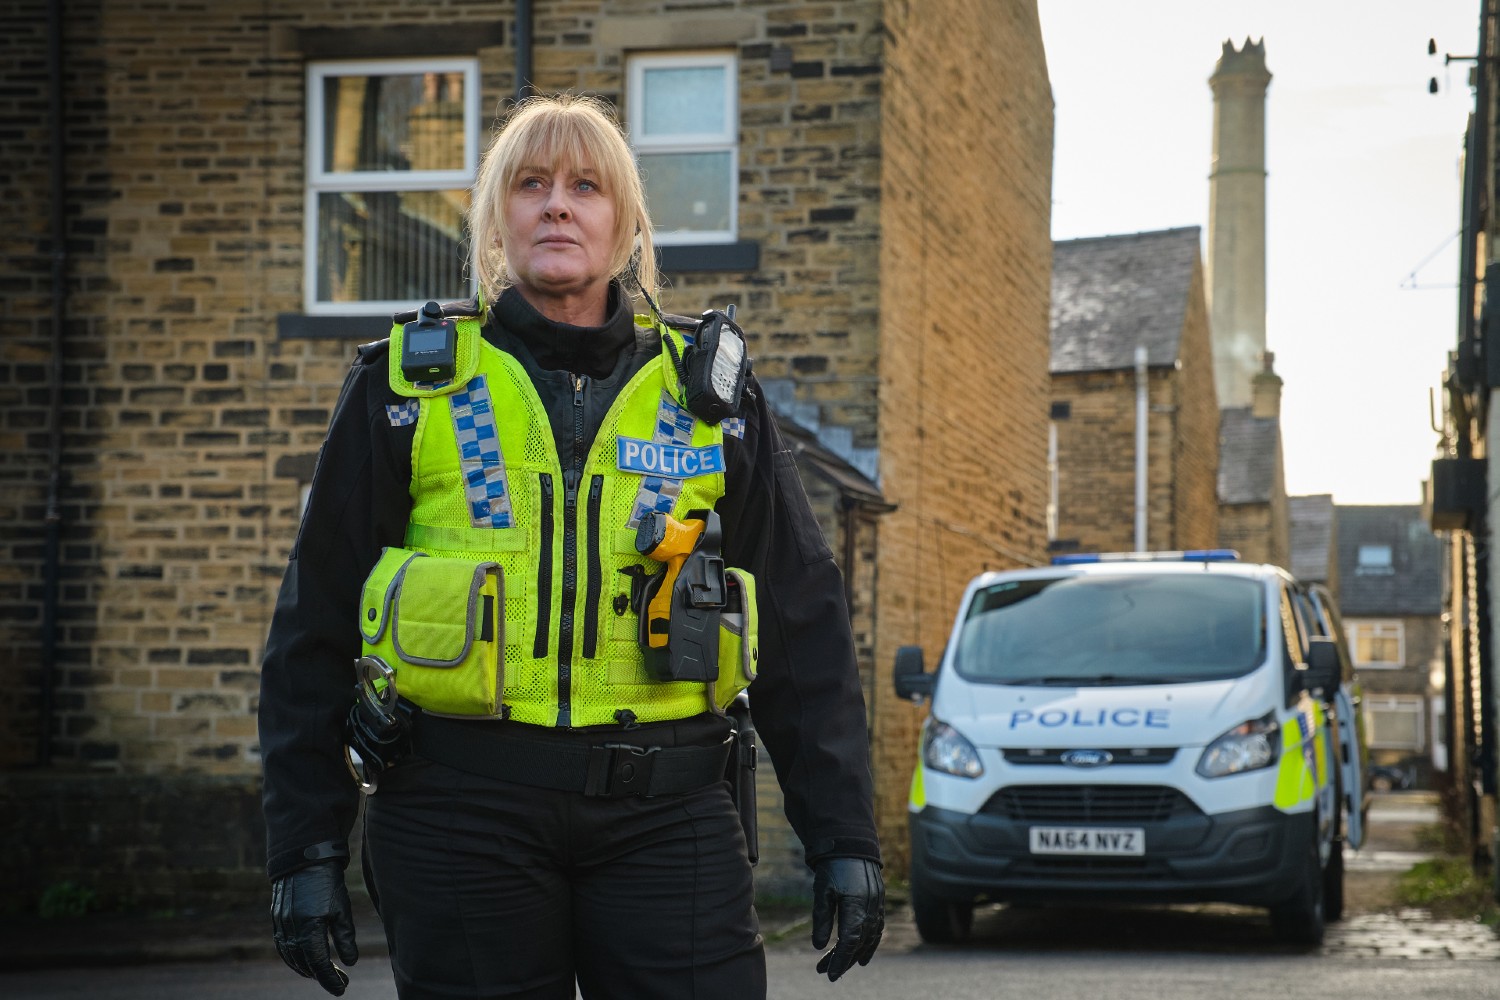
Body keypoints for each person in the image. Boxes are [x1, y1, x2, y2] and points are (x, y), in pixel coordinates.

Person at [258, 93, 884, 1000]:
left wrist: (843, 836)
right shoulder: (403, 386)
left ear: (626, 225)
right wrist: (304, 847)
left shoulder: (708, 394)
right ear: (496, 220)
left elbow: (802, 618)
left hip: (669, 816)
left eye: (586, 186)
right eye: (531, 184)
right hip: (456, 811)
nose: (558, 204)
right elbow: (312, 624)